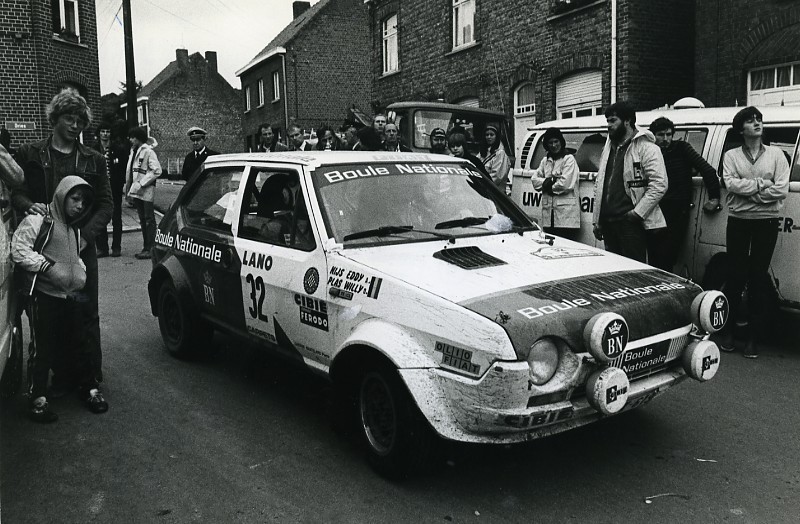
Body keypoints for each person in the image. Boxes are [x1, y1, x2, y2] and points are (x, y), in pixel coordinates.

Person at [12, 89, 112, 406]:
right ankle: (54, 377)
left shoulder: (94, 159)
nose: (75, 124)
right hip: (43, 249)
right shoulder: (30, 153)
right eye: (69, 117)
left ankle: (90, 378)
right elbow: (16, 192)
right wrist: (29, 206)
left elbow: (107, 204)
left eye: (81, 119)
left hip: (80, 248)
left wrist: (83, 237)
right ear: (54, 118)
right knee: (48, 316)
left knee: (84, 311)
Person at [12, 177, 108, 421]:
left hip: (70, 296)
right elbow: (19, 250)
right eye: (75, 199)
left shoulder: (73, 228)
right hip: (45, 296)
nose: (79, 205)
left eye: (84, 202)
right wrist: (46, 266)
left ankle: (89, 388)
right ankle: (38, 398)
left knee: (80, 342)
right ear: (62, 195)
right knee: (43, 347)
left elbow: (75, 257)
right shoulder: (39, 221)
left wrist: (81, 272)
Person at [716, 106, 789, 359]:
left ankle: (752, 338)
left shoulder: (778, 155)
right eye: (750, 120)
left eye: (759, 119)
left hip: (766, 223)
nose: (757, 123)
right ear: (740, 129)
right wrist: (761, 185)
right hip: (738, 221)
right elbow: (730, 183)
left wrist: (747, 194)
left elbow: (781, 190)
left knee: (758, 278)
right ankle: (728, 332)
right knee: (735, 276)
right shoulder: (731, 155)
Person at [591, 101, 667, 263]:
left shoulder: (647, 148)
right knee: (613, 270)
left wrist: (637, 213)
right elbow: (600, 182)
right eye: (608, 121)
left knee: (633, 270)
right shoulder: (609, 147)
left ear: (627, 121)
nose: (609, 126)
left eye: (613, 121)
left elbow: (659, 184)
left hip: (630, 223)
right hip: (608, 221)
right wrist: (597, 220)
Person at [647, 117, 721, 272]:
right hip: (652, 208)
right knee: (652, 254)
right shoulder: (649, 151)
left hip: (677, 209)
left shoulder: (682, 148)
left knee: (668, 255)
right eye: (661, 135)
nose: (666, 139)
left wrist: (714, 197)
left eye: (669, 134)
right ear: (653, 135)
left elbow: (707, 169)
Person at [530, 127, 580, 238]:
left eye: (556, 141)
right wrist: (548, 181)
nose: (553, 145)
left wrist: (546, 185)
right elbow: (534, 180)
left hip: (566, 217)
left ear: (561, 142)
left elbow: (565, 184)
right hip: (549, 216)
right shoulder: (545, 161)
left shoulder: (568, 159)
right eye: (550, 142)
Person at [92, 119, 128, 257]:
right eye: (103, 131)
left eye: (108, 131)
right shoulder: (93, 149)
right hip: (98, 189)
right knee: (100, 216)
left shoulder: (118, 149)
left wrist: (120, 184)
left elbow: (123, 169)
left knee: (116, 217)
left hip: (115, 189)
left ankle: (116, 247)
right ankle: (102, 247)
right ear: (99, 133)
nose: (105, 134)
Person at [125, 126, 162, 260]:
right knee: (142, 220)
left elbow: (157, 170)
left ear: (139, 138)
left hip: (145, 190)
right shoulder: (133, 151)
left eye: (133, 137)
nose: (131, 140)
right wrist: (129, 188)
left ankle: (151, 248)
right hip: (137, 190)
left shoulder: (148, 152)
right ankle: (146, 247)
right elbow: (130, 172)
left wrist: (142, 183)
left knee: (148, 220)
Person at [480, 124, 511, 190]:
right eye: (487, 135)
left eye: (492, 135)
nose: (489, 137)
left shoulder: (500, 154)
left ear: (496, 136)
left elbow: (497, 177)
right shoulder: (482, 153)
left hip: (494, 191)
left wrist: (482, 184)